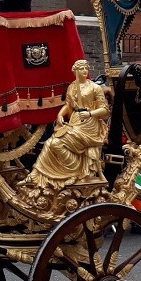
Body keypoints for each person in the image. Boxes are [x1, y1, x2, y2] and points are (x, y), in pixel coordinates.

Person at [24, 60, 109, 192]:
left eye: (86, 68)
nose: (85, 71)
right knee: (49, 143)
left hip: (89, 126)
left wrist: (90, 113)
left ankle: (74, 172)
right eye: (82, 69)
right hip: (75, 122)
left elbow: (104, 110)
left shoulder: (94, 88)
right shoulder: (72, 87)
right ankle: (36, 175)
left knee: (55, 143)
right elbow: (68, 106)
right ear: (75, 71)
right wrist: (60, 115)